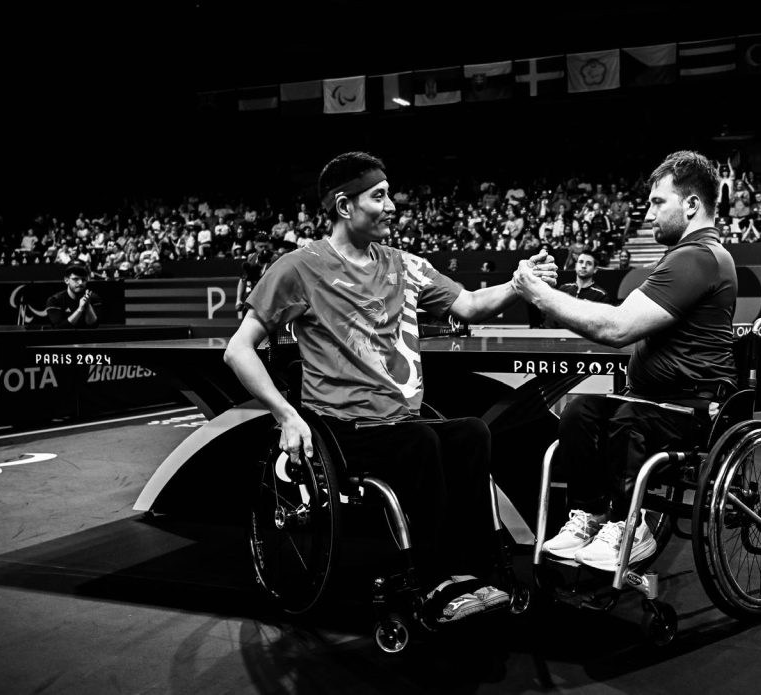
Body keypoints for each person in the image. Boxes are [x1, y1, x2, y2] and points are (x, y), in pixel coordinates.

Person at [224, 151, 558, 623]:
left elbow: (470, 305)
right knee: (419, 443)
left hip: (400, 420)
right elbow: (239, 349)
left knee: (470, 433)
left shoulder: (405, 264)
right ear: (344, 207)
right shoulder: (299, 268)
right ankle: (435, 583)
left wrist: (518, 284)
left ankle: (480, 572)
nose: (392, 206)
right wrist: (286, 415)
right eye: (379, 196)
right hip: (345, 427)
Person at [512, 150, 737, 571]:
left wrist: (539, 294)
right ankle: (590, 516)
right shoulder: (681, 257)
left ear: (691, 204)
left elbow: (617, 329)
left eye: (657, 202)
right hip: (654, 399)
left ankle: (631, 526)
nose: (648, 213)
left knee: (626, 420)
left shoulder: (699, 257)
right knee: (579, 411)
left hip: (691, 407)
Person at [46, 264, 102, 328]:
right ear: (66, 280)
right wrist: (80, 309)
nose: (80, 282)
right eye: (76, 279)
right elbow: (60, 328)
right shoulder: (54, 300)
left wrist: (88, 305)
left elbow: (94, 326)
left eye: (83, 279)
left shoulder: (94, 298)